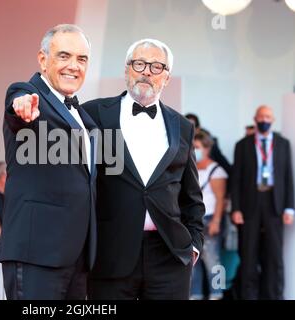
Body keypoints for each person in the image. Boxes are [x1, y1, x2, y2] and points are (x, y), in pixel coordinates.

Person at [82, 38, 205, 299]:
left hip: (169, 254)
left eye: (156, 66)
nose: (147, 71)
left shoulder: (182, 126)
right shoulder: (94, 114)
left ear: (167, 77)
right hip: (110, 252)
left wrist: (194, 244)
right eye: (139, 63)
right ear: (127, 69)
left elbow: (191, 196)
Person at [0, 24, 97, 300]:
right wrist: (22, 107)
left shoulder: (84, 118)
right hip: (37, 254)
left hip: (77, 259)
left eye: (82, 59)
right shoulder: (29, 95)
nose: (73, 66)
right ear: (43, 60)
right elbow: (18, 106)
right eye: (64, 56)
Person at [231, 105, 294, 300]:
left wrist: (289, 207)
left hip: (274, 202)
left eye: (268, 116)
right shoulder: (243, 145)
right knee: (248, 253)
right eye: (261, 116)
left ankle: (274, 296)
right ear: (255, 119)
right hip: (250, 202)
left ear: (273, 119)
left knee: (275, 255)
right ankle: (249, 296)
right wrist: (236, 208)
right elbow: (236, 179)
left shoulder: (283, 144)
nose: (264, 120)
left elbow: (287, 177)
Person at [190, 131, 228, 300]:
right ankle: (195, 295)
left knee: (214, 261)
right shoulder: (190, 167)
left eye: (197, 147)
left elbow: (221, 199)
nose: (194, 150)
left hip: (210, 218)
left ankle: (217, 294)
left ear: (206, 148)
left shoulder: (216, 170)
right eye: (192, 147)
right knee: (193, 261)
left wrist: (216, 221)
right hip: (192, 221)